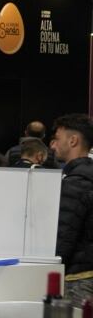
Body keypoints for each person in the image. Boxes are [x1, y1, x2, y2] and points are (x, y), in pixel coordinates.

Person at [51, 114, 93, 305]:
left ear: (73, 140)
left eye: (57, 139)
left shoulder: (75, 184)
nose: (53, 145)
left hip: (78, 280)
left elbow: (64, 236)